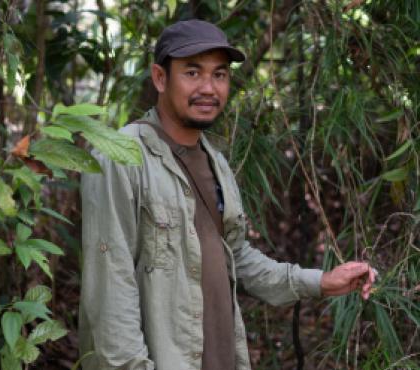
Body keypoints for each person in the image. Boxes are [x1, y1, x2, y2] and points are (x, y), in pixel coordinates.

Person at [78, 19, 376, 370]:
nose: (209, 87)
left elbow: (237, 257)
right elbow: (110, 285)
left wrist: (321, 282)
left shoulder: (216, 162)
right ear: (160, 78)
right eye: (192, 72)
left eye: (219, 75)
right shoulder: (122, 157)